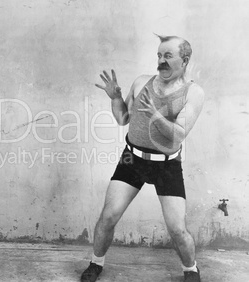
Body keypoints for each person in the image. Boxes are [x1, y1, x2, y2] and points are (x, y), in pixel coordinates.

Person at [81, 35, 205, 282]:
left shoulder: (193, 92)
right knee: (108, 216)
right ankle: (96, 263)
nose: (161, 61)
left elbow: (178, 135)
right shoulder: (141, 82)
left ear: (185, 60)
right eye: (159, 55)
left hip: (166, 165)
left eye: (168, 55)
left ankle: (191, 270)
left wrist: (155, 114)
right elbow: (123, 119)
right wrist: (115, 97)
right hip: (132, 160)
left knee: (177, 230)